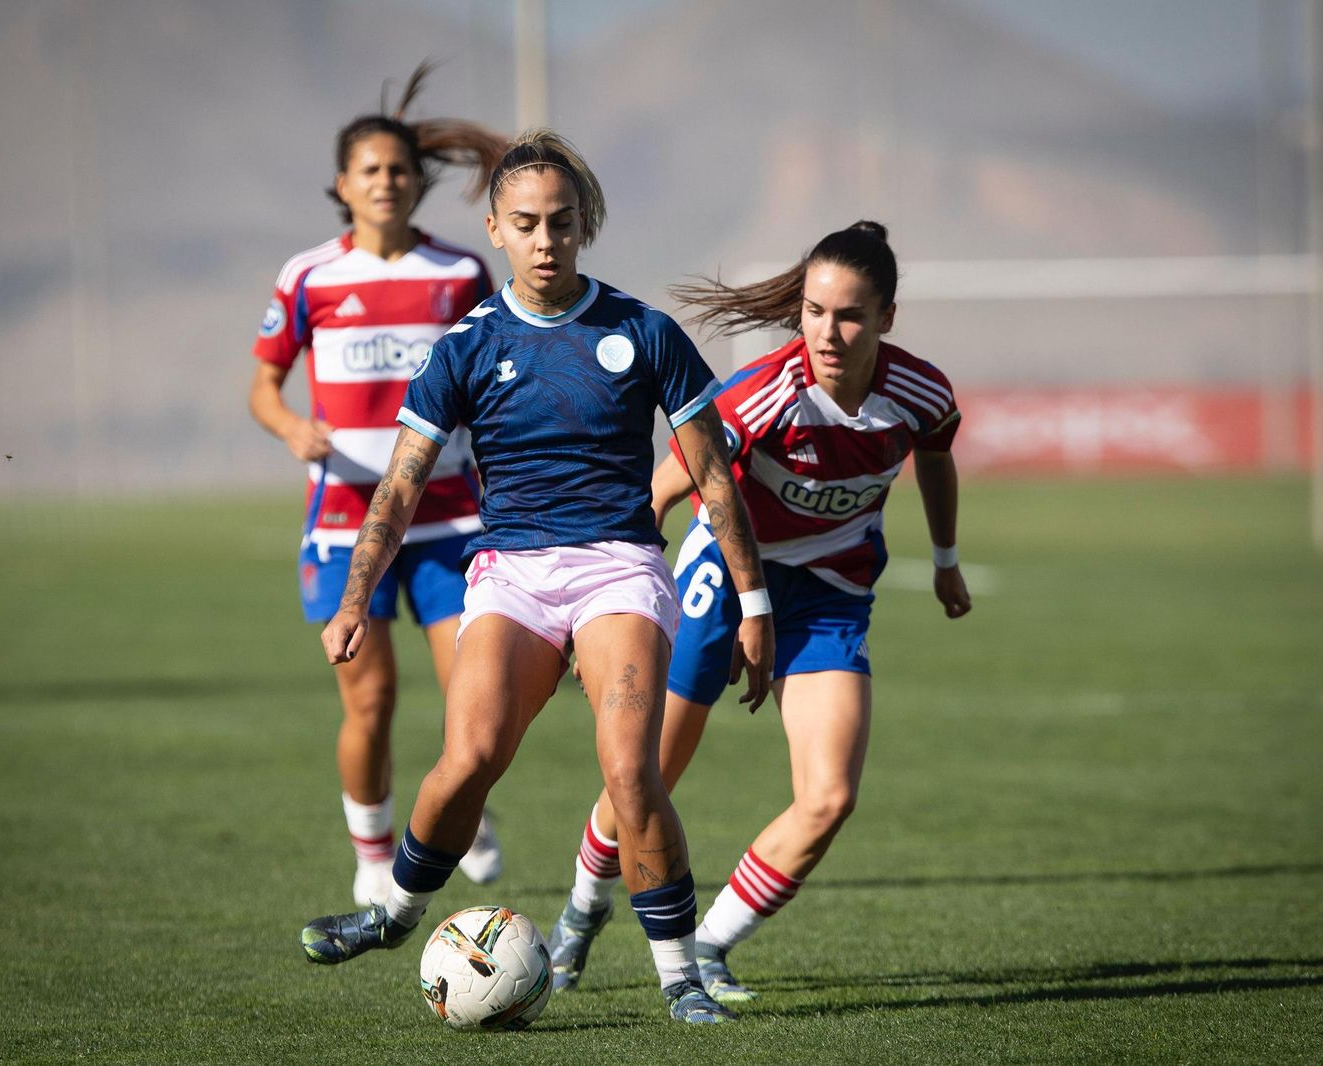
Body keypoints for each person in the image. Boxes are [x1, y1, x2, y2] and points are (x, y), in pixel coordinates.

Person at [295, 129, 775, 1025]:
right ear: (496, 230)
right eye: (527, 223)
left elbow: (712, 476)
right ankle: (394, 915)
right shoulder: (465, 348)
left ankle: (680, 977)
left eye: (561, 221)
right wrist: (356, 598)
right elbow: (399, 488)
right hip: (510, 572)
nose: (546, 239)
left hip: (618, 568)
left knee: (631, 772)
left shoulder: (645, 331)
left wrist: (753, 604)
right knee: (468, 760)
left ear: (584, 225)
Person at [544, 221, 972, 1003]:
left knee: (829, 798)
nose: (828, 332)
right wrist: (616, 589)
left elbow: (936, 460)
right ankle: (580, 911)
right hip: (724, 575)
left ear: (886, 318)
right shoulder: (765, 393)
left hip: (830, 593)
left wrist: (946, 559)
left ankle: (708, 946)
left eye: (848, 314)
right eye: (813, 311)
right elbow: (668, 485)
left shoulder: (922, 395)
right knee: (645, 773)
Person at [248, 65, 509, 907]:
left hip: (452, 519)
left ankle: (462, 807)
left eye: (399, 169)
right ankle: (371, 853)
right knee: (374, 700)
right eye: (370, 170)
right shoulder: (310, 278)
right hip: (345, 524)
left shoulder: (462, 275)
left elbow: (496, 381)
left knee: (474, 692)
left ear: (415, 181)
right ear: (342, 184)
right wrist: (294, 429)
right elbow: (262, 385)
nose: (387, 182)